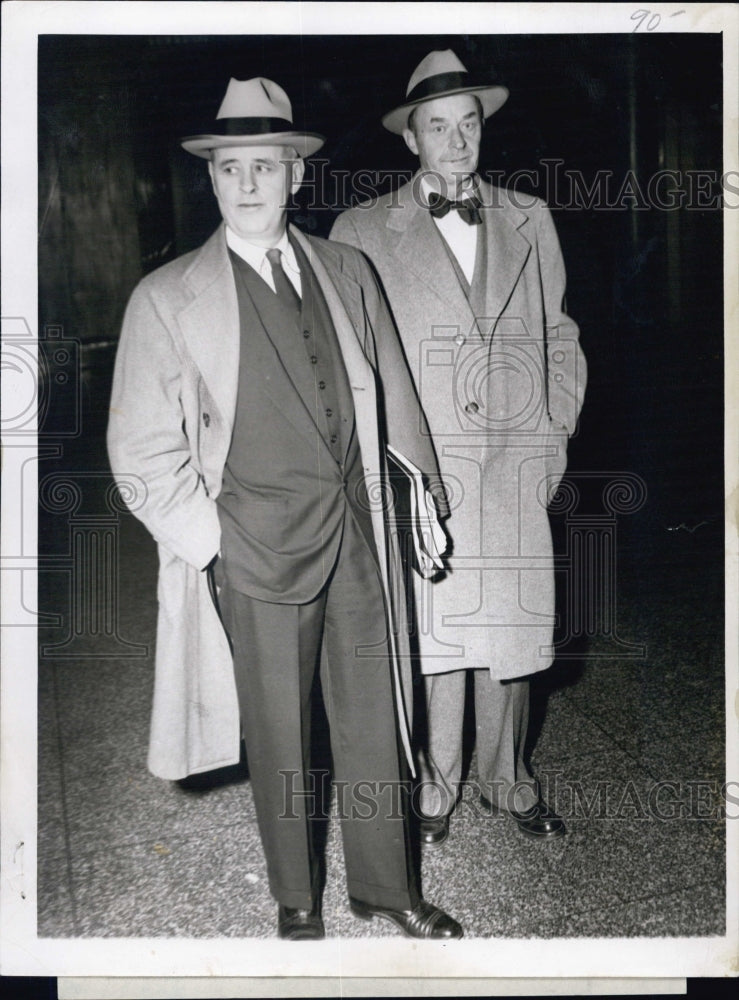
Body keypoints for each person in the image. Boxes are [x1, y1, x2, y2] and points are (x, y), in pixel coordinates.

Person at [107, 77, 462, 940]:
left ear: (297, 176)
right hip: (253, 546)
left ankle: (387, 887)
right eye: (232, 168)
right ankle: (295, 895)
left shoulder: (347, 268)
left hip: (358, 535)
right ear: (213, 179)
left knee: (375, 713)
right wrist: (214, 546)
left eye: (266, 166)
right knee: (278, 727)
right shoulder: (166, 298)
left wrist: (422, 496)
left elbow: (395, 397)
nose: (250, 184)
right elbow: (139, 451)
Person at [331, 50, 587, 846]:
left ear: (483, 129)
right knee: (437, 636)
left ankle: (507, 781)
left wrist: (553, 436)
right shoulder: (361, 229)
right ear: (410, 139)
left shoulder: (527, 217)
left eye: (466, 124)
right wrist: (387, 468)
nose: (454, 141)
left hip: (516, 461)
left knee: (511, 636)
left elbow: (559, 336)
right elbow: (353, 363)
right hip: (425, 470)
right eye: (435, 126)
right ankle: (435, 784)